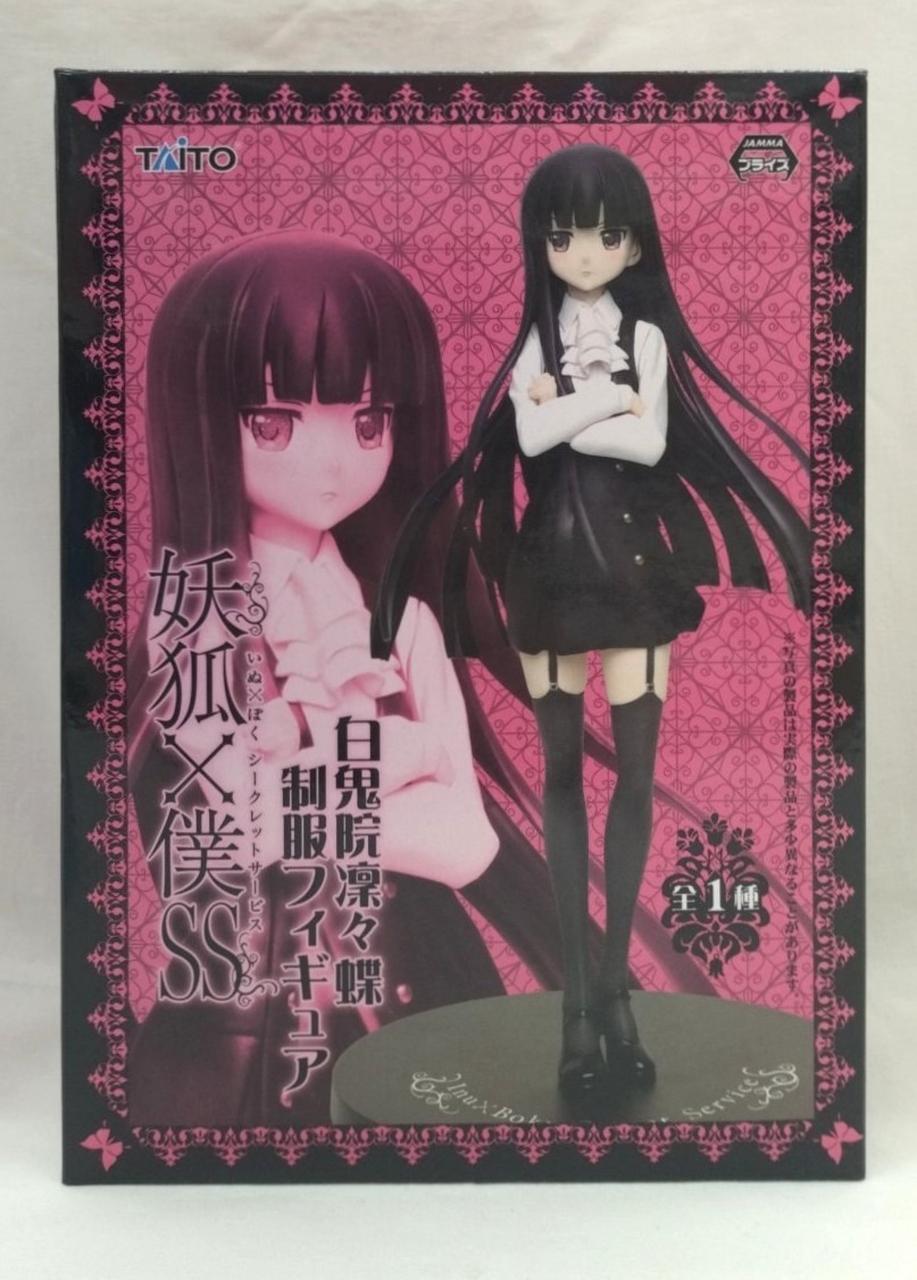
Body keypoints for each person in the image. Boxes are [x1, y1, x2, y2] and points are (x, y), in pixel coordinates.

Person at [372, 144, 810, 1096]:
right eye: (563, 235)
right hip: (548, 573)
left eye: (605, 236)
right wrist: (604, 399)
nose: (582, 253)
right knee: (562, 777)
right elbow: (531, 437)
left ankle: (616, 995)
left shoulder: (643, 338)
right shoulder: (536, 341)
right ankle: (577, 1005)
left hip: (636, 572)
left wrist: (578, 402)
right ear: (539, 241)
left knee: (635, 780)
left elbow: (646, 445)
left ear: (634, 244)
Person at [127, 231, 567, 1125]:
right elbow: (220, 836)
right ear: (201, 420)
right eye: (274, 423)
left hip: (427, 995)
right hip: (247, 1029)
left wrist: (305, 782)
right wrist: (401, 758)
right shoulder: (193, 620)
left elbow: (462, 841)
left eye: (368, 423)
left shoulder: (403, 622)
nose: (332, 463)